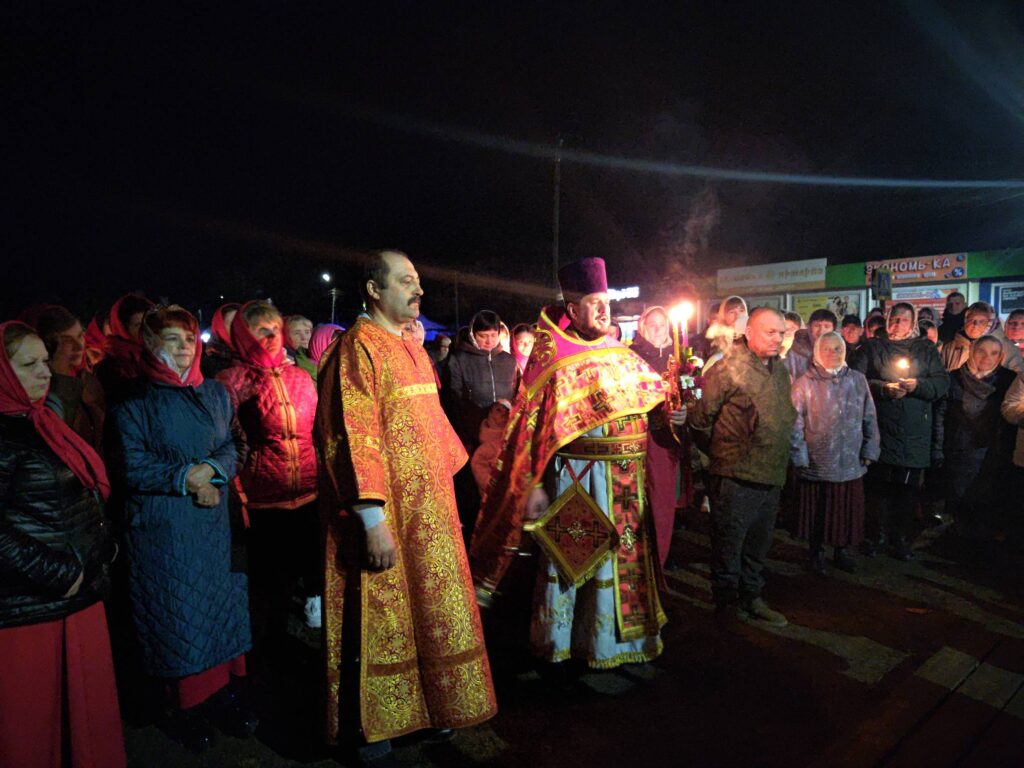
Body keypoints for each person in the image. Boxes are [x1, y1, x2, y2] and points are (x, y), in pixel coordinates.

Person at [314, 250, 496, 760]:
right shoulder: (358, 349)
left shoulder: (410, 347)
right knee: (380, 618)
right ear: (374, 290)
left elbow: (433, 425)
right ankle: (372, 728)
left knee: (429, 616)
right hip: (385, 515)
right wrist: (371, 517)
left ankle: (431, 708)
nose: (418, 289)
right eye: (405, 281)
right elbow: (351, 436)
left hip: (431, 515)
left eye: (418, 280)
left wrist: (465, 484)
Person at [471, 257, 672, 668]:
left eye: (606, 304)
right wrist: (534, 483)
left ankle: (620, 644)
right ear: (573, 310)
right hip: (578, 480)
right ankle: (569, 645)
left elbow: (652, 405)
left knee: (620, 562)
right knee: (574, 562)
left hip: (625, 483)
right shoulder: (552, 360)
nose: (603, 311)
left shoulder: (621, 353)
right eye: (594, 304)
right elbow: (529, 432)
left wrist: (670, 410)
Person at [110, 306, 254, 751]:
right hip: (166, 529)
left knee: (220, 611)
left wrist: (211, 470)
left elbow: (236, 443)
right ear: (151, 345)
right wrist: (186, 478)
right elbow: (130, 463)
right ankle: (186, 707)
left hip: (214, 526)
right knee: (179, 618)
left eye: (189, 339)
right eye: (172, 339)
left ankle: (225, 695)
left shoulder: (214, 393)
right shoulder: (134, 401)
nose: (184, 348)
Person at [0, 321, 126, 768]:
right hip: (33, 607)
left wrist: (102, 549)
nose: (44, 372)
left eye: (43, 362)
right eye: (27, 365)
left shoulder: (40, 421)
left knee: (83, 720)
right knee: (36, 729)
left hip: (75, 593)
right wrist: (61, 573)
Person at [216, 301, 321, 643]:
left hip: (308, 493)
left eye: (276, 328)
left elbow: (317, 431)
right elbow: (225, 441)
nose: (272, 335)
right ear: (245, 335)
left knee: (305, 572)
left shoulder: (300, 376)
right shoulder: (232, 381)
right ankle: (266, 652)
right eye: (262, 330)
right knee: (268, 588)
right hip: (263, 500)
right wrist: (238, 493)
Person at [687, 307, 795, 627]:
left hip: (771, 473)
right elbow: (700, 419)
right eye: (770, 332)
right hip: (735, 476)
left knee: (758, 545)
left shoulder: (780, 371)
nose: (778, 339)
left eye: (781, 333)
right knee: (729, 544)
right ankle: (726, 605)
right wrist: (723, 452)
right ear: (749, 333)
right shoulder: (728, 368)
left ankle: (752, 596)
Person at [851, 303, 950, 560]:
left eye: (904, 320)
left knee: (906, 491)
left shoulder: (925, 349)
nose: (897, 324)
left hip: (913, 431)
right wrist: (882, 388)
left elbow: (941, 383)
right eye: (894, 319)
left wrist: (918, 385)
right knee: (878, 487)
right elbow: (855, 380)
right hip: (880, 427)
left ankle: (901, 539)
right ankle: (876, 536)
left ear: (913, 322)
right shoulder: (872, 347)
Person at [790, 332, 880, 574]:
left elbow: (869, 416)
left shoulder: (858, 380)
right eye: (827, 349)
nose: (833, 354)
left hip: (850, 459)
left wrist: (870, 447)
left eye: (838, 349)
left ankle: (842, 550)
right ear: (817, 352)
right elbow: (795, 425)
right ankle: (816, 551)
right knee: (818, 511)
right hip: (817, 461)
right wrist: (800, 457)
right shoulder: (804, 383)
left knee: (845, 509)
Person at [442, 309, 519, 536]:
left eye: (493, 335)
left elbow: (516, 394)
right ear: (473, 334)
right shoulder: (459, 360)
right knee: (476, 491)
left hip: (504, 435)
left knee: (504, 487)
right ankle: (475, 536)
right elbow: (453, 400)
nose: (489, 341)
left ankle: (504, 533)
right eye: (483, 336)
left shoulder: (508, 361)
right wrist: (469, 431)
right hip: (473, 435)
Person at [934, 335, 1018, 541]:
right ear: (971, 352)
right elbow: (941, 415)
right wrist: (938, 447)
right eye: (981, 351)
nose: (987, 358)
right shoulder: (953, 378)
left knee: (985, 503)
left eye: (994, 353)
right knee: (958, 500)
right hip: (958, 450)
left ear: (1001, 357)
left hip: (992, 452)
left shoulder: (1008, 380)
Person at [631, 305, 684, 568]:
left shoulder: (679, 359)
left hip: (667, 440)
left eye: (662, 324)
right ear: (642, 326)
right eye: (652, 324)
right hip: (639, 435)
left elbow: (689, 395)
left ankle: (661, 556)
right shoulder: (631, 356)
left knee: (664, 499)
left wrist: (685, 410)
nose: (658, 329)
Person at [29, 305, 107, 453]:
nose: (79, 346)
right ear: (49, 346)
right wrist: (60, 374)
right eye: (67, 341)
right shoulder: (41, 387)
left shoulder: (87, 378)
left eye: (80, 336)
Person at [96, 292, 155, 406]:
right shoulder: (111, 367)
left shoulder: (158, 355)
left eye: (149, 322)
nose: (146, 330)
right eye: (138, 325)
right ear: (123, 329)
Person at [939, 301, 1024, 375]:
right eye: (971, 320)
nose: (975, 325)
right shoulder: (951, 347)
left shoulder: (1007, 349)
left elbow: (1018, 380)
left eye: (982, 321)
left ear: (991, 323)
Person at [470, 399, 512, 496]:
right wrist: (493, 484)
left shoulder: (514, 437)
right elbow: (481, 472)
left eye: (507, 410)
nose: (504, 413)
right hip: (496, 497)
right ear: (490, 414)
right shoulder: (484, 449)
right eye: (498, 410)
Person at [784, 308, 837, 382]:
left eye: (827, 326)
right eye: (817, 326)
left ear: (833, 330)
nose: (821, 331)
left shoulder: (838, 351)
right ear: (809, 327)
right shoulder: (795, 351)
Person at [201, 302, 239, 379]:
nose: (239, 327)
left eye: (241, 323)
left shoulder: (255, 356)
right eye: (232, 324)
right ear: (220, 329)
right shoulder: (210, 365)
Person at [284, 314, 317, 381]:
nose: (304, 338)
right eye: (297, 333)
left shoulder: (314, 357)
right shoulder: (285, 362)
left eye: (307, 332)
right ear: (286, 336)